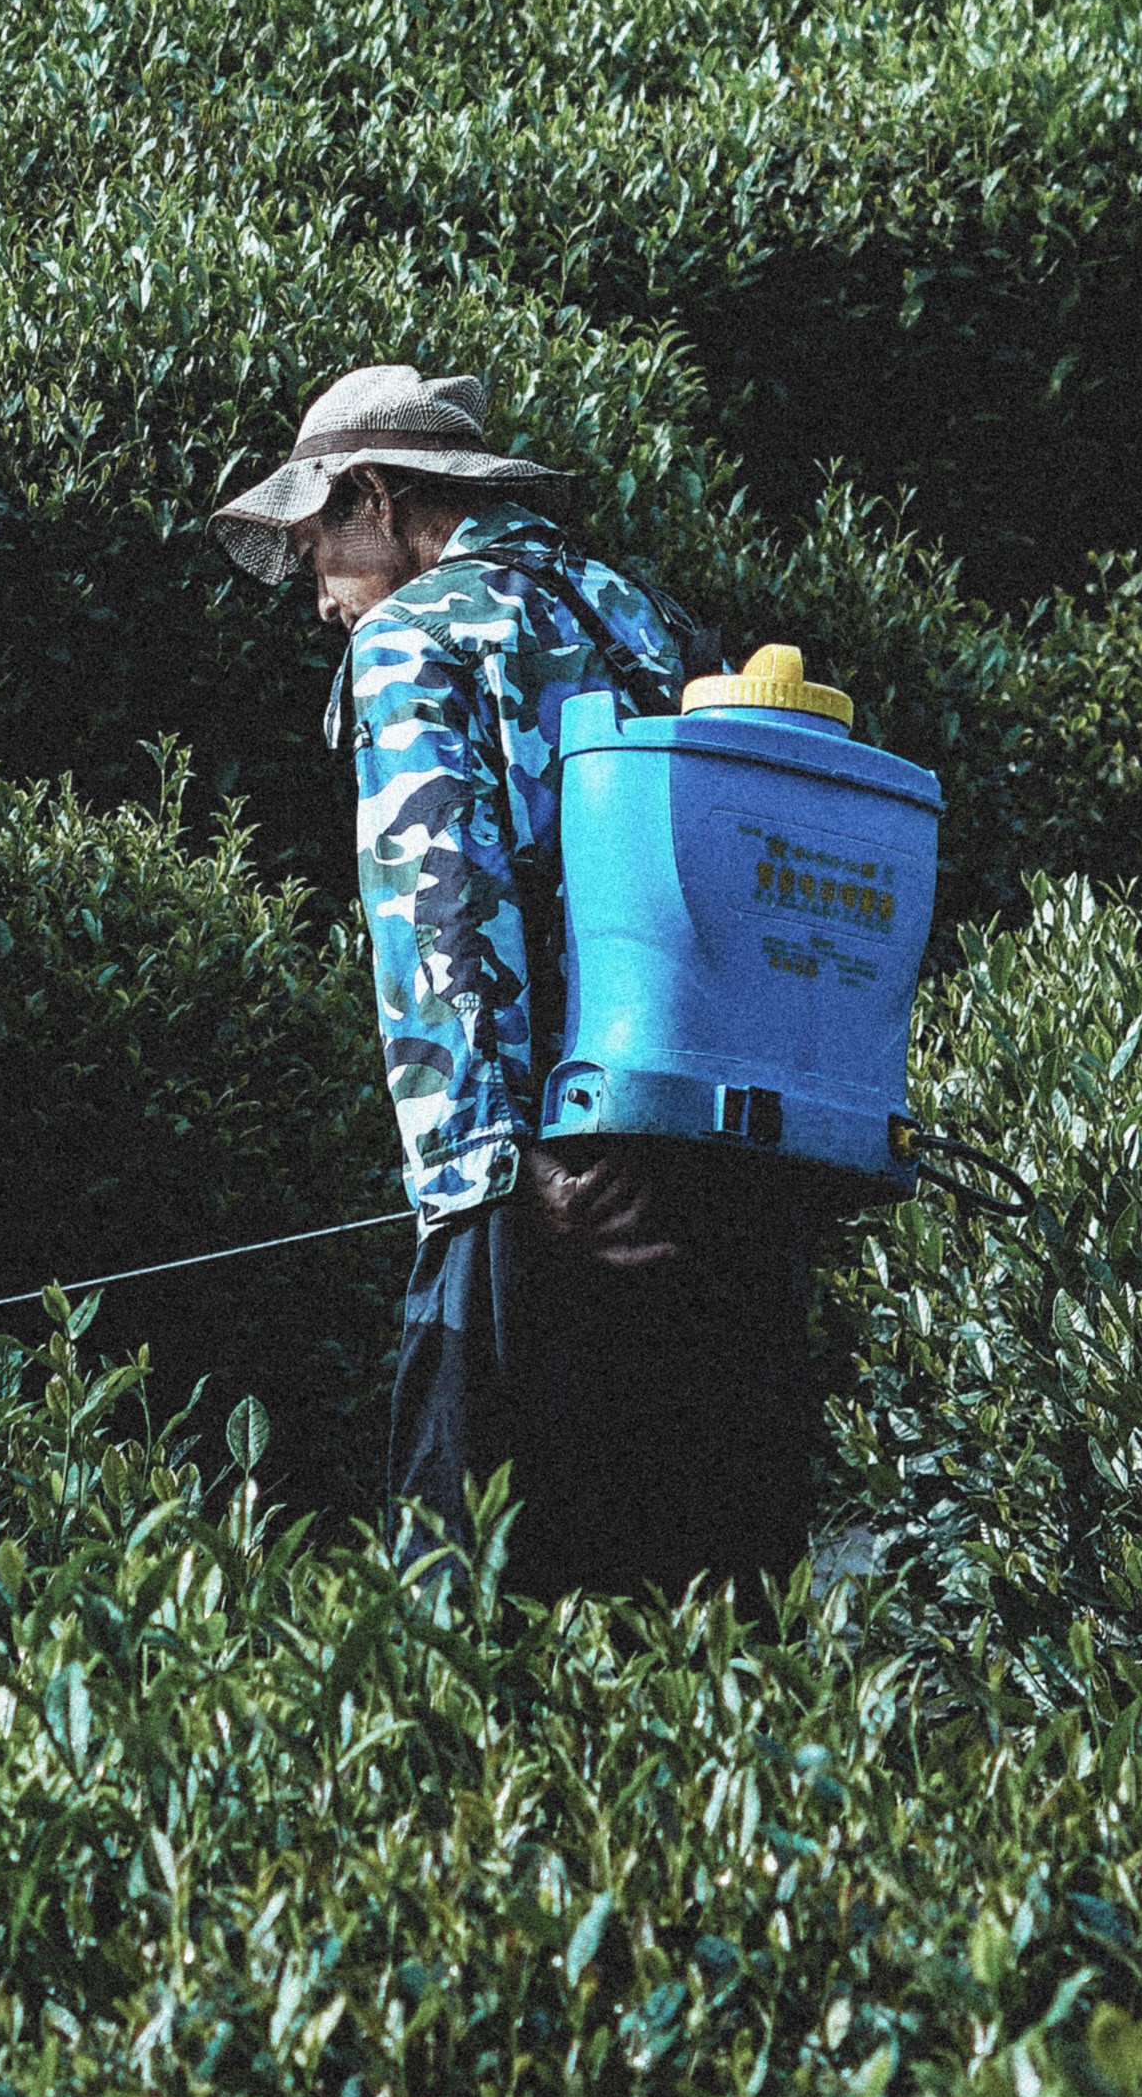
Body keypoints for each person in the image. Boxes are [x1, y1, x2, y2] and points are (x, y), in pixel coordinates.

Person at [210, 364, 820, 1604]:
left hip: (548, 1184)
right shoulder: (639, 616)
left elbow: (440, 916)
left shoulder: (411, 635)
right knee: (693, 1611)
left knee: (470, 1602)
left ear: (373, 497)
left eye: (317, 545)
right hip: (701, 1158)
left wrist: (492, 1169)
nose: (319, 598)